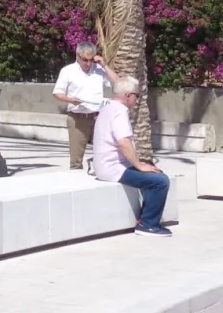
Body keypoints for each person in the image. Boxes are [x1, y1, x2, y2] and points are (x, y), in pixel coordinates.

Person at [92, 74, 172, 236]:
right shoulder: (119, 111)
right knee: (160, 181)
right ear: (128, 96)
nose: (138, 99)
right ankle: (148, 225)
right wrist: (139, 165)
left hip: (106, 166)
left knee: (153, 172)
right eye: (137, 95)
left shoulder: (108, 107)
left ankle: (144, 218)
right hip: (114, 169)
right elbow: (123, 142)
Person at [52, 42, 116, 171]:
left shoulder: (98, 70)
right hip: (78, 118)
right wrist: (70, 100)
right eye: (84, 60)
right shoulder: (68, 71)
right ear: (77, 56)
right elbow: (57, 92)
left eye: (91, 60)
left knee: (106, 153)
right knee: (76, 160)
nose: (88, 63)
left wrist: (104, 66)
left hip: (98, 117)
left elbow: (117, 83)